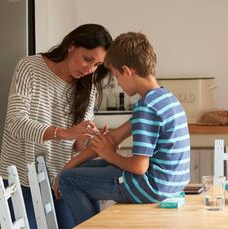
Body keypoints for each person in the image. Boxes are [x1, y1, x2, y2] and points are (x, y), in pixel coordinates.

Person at [58, 32, 191, 227]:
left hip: (150, 186)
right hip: (169, 184)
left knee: (69, 180)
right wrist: (69, 165)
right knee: (73, 172)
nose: (118, 83)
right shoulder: (164, 98)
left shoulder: (147, 108)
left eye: (117, 76)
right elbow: (113, 138)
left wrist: (110, 155)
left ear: (127, 71)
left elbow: (139, 167)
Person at [0, 24, 113, 229]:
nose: (90, 69)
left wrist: (89, 138)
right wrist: (63, 133)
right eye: (87, 59)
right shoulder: (29, 67)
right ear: (71, 45)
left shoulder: (89, 87)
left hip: (60, 180)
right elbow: (15, 122)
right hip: (21, 176)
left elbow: (76, 147)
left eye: (97, 65)